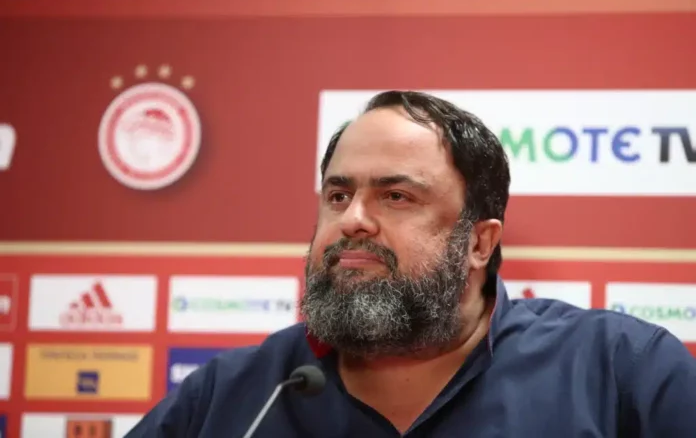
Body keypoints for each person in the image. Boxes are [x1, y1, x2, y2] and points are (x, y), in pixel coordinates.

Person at [126, 91, 696, 437]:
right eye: (337, 195)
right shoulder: (234, 395)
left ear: (479, 243)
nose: (353, 220)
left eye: (396, 197)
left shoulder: (624, 372)